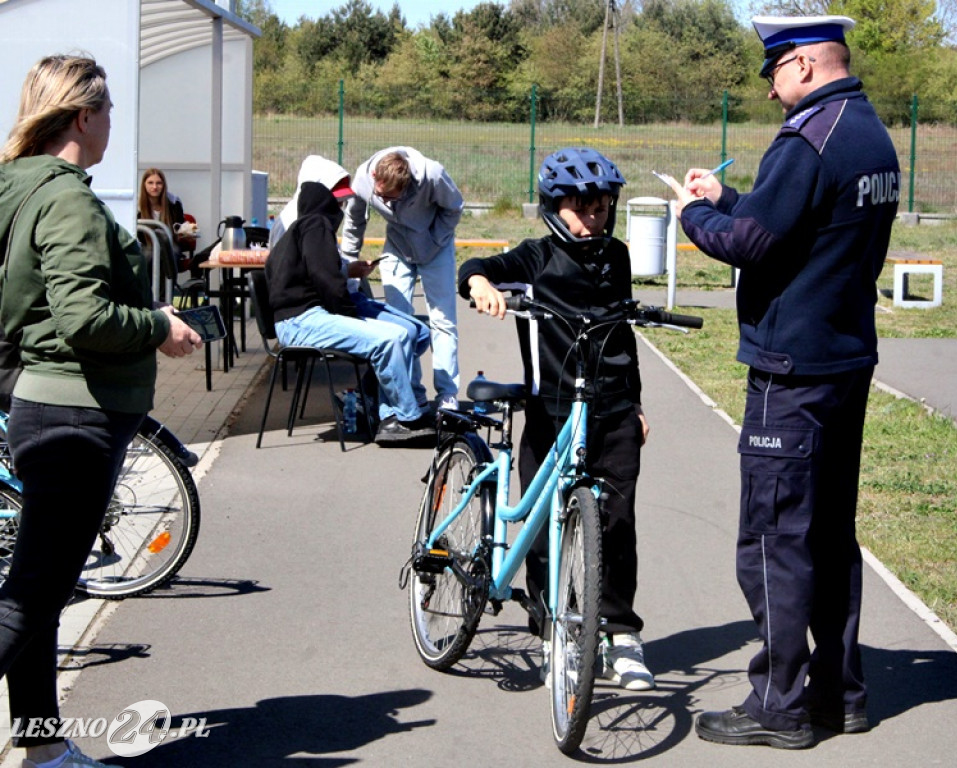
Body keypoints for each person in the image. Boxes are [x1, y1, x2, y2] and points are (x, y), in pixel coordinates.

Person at [661, 15, 901, 749]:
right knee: (828, 535)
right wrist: (735, 198)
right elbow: (799, 227)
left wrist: (695, 213)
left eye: (772, 74)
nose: (770, 92)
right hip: (844, 361)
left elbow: (750, 246)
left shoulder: (807, 137)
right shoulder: (869, 134)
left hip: (790, 372)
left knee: (774, 541)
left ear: (800, 66)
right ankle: (838, 694)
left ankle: (779, 704)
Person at [0, 54, 202, 768]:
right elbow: (85, 317)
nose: (114, 124)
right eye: (109, 111)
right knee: (30, 595)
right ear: (84, 115)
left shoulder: (15, 186)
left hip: (42, 405)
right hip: (74, 414)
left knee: (41, 592)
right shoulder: (66, 200)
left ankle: (43, 747)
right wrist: (159, 326)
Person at [459, 148, 655, 691]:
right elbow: (480, 268)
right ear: (554, 207)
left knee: (617, 524)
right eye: (582, 208)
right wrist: (480, 286)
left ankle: (619, 634)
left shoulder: (616, 256)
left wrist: (636, 402)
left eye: (602, 207)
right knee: (545, 528)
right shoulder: (537, 255)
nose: (594, 217)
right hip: (552, 412)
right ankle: (553, 631)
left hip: (612, 409)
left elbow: (623, 334)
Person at [264, 178, 434, 443]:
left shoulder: (294, 234)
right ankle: (405, 419)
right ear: (327, 206)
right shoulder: (315, 225)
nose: (342, 210)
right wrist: (348, 313)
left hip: (297, 320)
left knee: (406, 335)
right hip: (302, 321)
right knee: (389, 340)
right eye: (339, 205)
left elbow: (318, 275)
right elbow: (326, 278)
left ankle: (379, 407)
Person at [341, 147, 462, 411]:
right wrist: (348, 265)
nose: (387, 203)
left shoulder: (432, 174)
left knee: (443, 320)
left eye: (394, 199)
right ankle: (412, 392)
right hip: (397, 246)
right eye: (382, 197)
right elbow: (354, 222)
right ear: (375, 176)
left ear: (407, 187)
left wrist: (433, 241)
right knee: (398, 323)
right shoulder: (363, 179)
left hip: (436, 248)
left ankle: (447, 394)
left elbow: (454, 208)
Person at [137, 167, 197, 271]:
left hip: (170, 245)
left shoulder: (174, 202)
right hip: (147, 245)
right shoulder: (137, 205)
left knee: (168, 254)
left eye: (159, 183)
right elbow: (139, 236)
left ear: (164, 185)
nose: (155, 187)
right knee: (147, 255)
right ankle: (147, 287)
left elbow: (179, 226)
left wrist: (188, 232)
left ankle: (168, 287)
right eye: (150, 183)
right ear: (144, 185)